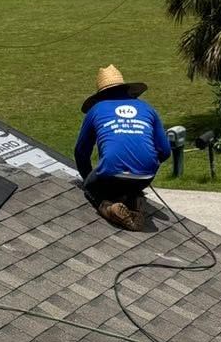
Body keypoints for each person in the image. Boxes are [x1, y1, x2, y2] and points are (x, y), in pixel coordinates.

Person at [73, 65, 171, 230]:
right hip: (145, 176)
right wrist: (145, 163)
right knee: (128, 184)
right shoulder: (147, 108)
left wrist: (88, 178)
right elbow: (165, 151)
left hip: (112, 172)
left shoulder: (96, 110)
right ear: (127, 90)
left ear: (100, 95)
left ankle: (109, 207)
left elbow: (81, 152)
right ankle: (132, 198)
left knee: (92, 188)